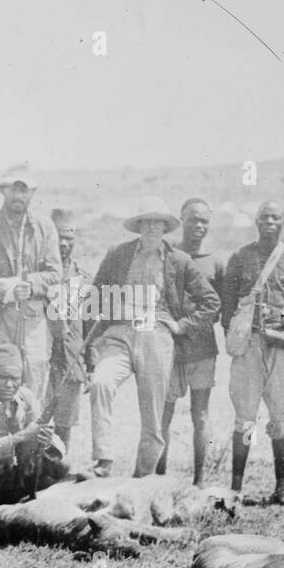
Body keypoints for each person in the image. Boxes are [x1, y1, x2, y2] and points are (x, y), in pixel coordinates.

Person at [85, 196, 220, 478]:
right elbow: (95, 296)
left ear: (165, 227)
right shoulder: (118, 254)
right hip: (119, 334)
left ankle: (142, 479)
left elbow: (211, 301)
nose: (151, 229)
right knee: (101, 382)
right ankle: (103, 459)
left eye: (157, 224)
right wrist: (90, 345)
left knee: (154, 418)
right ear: (138, 226)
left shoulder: (178, 260)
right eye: (146, 223)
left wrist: (182, 325)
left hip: (156, 337)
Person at [219, 201, 284, 503]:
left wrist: (279, 324)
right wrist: (243, 334)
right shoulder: (240, 257)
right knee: (245, 419)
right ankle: (237, 487)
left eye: (276, 217)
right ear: (256, 222)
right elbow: (227, 304)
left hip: (281, 345)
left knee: (281, 416)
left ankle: (280, 486)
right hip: (250, 344)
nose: (270, 222)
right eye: (264, 217)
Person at [0, 164, 62, 403]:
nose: (18, 196)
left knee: (34, 379)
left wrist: (30, 284)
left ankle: (27, 438)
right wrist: (8, 288)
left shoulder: (45, 227)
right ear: (2, 191)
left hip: (33, 319)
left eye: (24, 190)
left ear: (32, 193)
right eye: (13, 189)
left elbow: (54, 273)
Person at [155, 198, 224, 485]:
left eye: (204, 221)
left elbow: (217, 308)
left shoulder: (215, 262)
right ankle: (158, 478)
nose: (198, 225)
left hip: (201, 347)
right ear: (182, 220)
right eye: (193, 219)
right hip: (169, 346)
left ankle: (199, 481)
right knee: (164, 414)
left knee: (201, 414)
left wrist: (189, 323)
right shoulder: (167, 254)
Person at [0, 344, 65, 509]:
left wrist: (46, 440)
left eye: (15, 379)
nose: (9, 384)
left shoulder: (26, 396)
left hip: (16, 468)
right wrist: (20, 437)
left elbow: (44, 432)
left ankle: (22, 502)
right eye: (3, 377)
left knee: (61, 466)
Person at [44, 208, 90, 455]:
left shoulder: (83, 277)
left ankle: (58, 472)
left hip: (71, 360)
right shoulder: (38, 274)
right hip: (43, 359)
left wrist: (89, 364)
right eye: (59, 237)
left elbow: (90, 325)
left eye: (69, 238)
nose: (63, 243)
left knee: (64, 425)